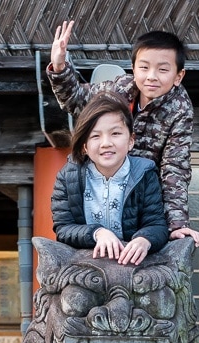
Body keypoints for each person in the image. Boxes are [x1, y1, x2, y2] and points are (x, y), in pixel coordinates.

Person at [48, 21, 199, 247]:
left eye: (163, 69)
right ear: (133, 67)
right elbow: (77, 100)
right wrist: (59, 66)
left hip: (141, 189)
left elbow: (175, 167)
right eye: (144, 67)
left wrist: (176, 224)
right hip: (100, 178)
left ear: (178, 76)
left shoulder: (180, 110)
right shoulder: (119, 89)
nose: (151, 76)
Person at [51, 93, 169, 266]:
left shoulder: (146, 173)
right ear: (84, 146)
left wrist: (144, 239)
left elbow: (157, 224)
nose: (106, 143)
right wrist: (97, 233)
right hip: (85, 263)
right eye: (95, 136)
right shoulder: (67, 177)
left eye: (115, 133)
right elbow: (63, 229)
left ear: (130, 141)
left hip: (131, 263)